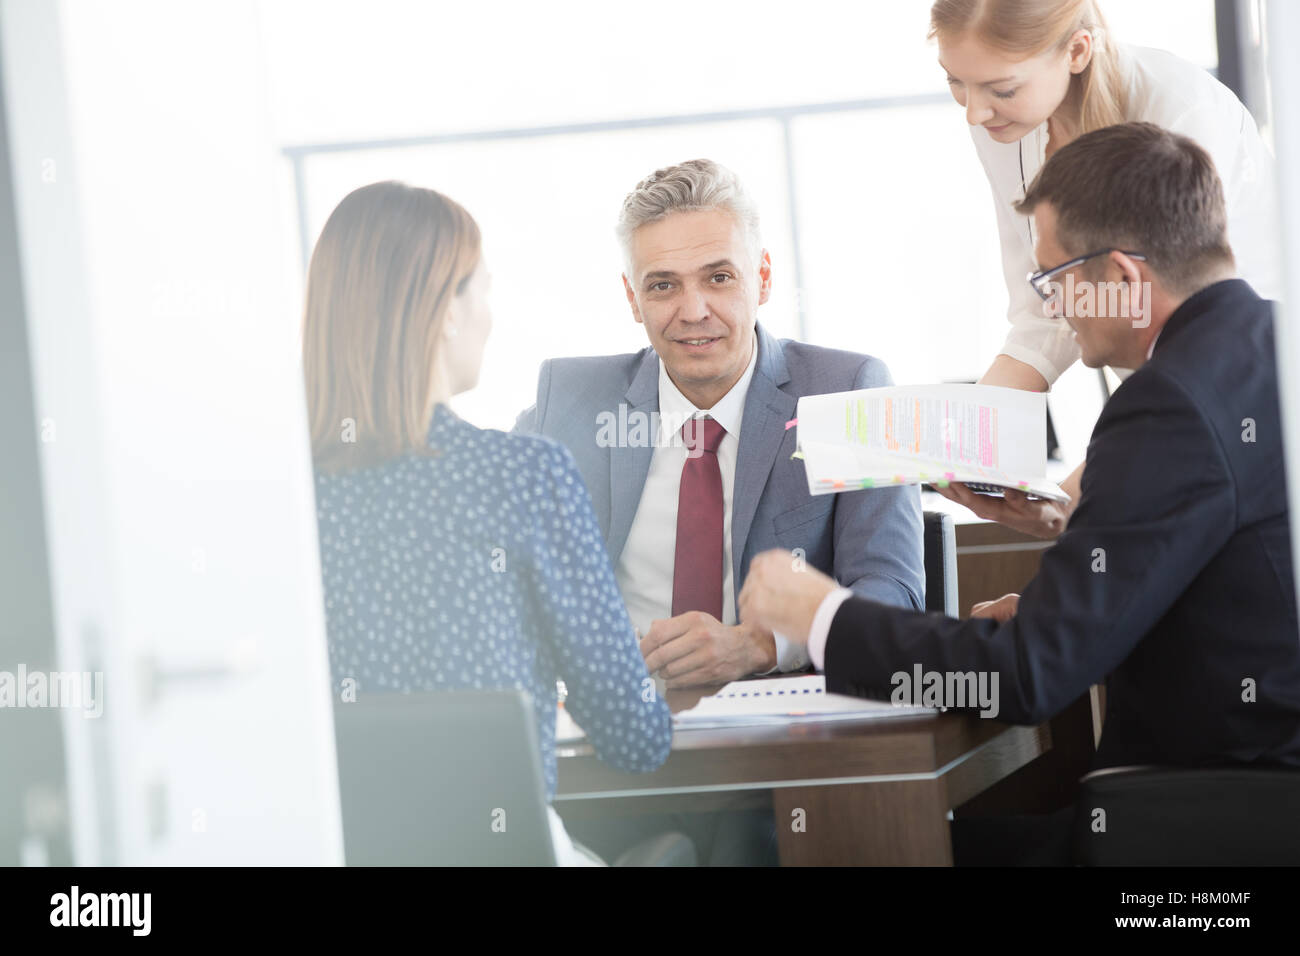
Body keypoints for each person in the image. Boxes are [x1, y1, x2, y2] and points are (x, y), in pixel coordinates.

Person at [738, 122, 1300, 865]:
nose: (1053, 307)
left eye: (1054, 278)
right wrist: (1067, 563)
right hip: (1254, 799)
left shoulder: (1168, 403)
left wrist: (823, 618)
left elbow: (1028, 674)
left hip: (1200, 829)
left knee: (861, 850)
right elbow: (1236, 572)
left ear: (1126, 280)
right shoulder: (1270, 348)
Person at [302, 181, 671, 866]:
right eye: (483, 292)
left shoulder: (282, 500)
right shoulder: (523, 477)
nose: (490, 317)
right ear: (444, 309)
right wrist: (660, 684)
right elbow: (633, 738)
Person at [515, 158, 924, 687]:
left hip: (787, 727)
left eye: (719, 277)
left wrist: (760, 645)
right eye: (662, 286)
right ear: (632, 299)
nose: (693, 310)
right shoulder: (568, 402)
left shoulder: (847, 391)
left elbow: (891, 591)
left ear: (764, 277)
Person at [929, 0, 1281, 538]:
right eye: (956, 82)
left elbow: (1198, 357)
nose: (974, 112)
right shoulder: (1004, 120)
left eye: (1000, 89)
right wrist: (960, 444)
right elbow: (1044, 307)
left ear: (1076, 50)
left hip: (1250, 400)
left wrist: (1073, 497)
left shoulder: (1181, 112)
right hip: (1168, 404)